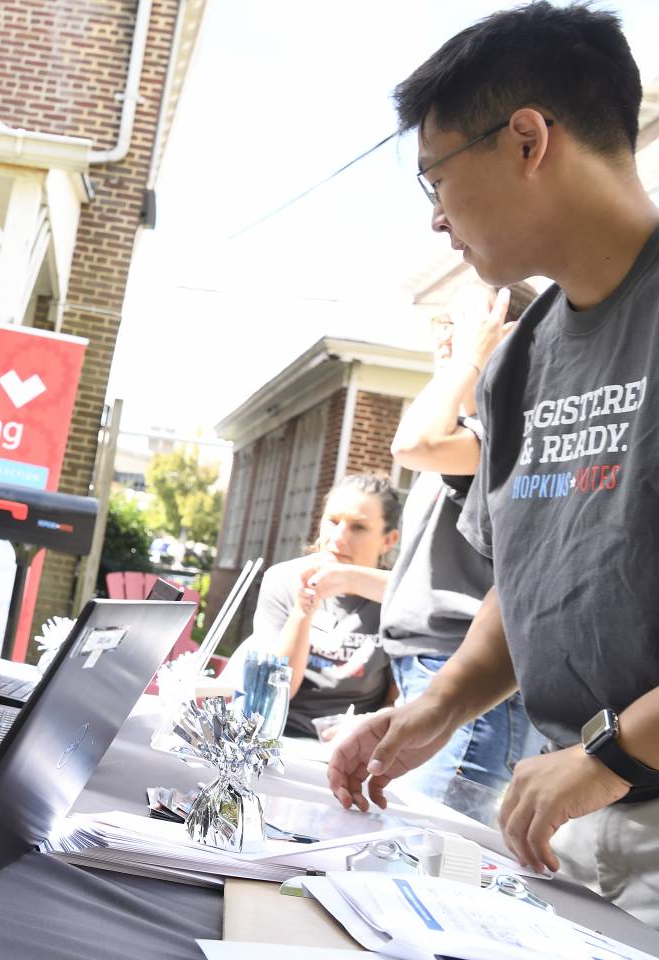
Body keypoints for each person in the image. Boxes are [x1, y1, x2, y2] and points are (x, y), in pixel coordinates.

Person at [326, 1, 659, 924]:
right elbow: (532, 582)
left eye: (434, 177)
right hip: (571, 818)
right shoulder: (520, 358)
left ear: (526, 140)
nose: (435, 219)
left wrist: (612, 756)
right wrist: (434, 709)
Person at [381, 279, 541, 820]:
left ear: (510, 332)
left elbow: (412, 445)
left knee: (423, 854)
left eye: (465, 322)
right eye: (445, 324)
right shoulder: (470, 430)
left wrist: (469, 360)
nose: (447, 338)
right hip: (432, 670)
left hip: (469, 679)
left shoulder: (508, 431)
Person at [219, 474, 401, 738]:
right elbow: (273, 689)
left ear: (388, 540)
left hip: (351, 746)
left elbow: (398, 700)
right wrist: (302, 611)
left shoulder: (399, 598)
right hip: (272, 734)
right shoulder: (284, 579)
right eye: (333, 521)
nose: (338, 538)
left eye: (358, 527)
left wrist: (368, 731)